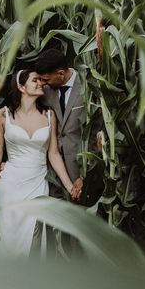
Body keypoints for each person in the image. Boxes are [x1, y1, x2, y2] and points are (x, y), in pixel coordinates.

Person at [0, 69, 76, 258]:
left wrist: (70, 186)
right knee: (6, 240)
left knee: (33, 242)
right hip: (9, 185)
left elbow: (53, 154)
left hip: (36, 185)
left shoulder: (49, 116)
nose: (40, 83)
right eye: (35, 80)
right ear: (21, 86)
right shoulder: (3, 115)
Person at [35, 48, 102, 201]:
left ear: (60, 74)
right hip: (52, 172)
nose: (42, 84)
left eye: (46, 79)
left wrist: (85, 175)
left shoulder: (89, 87)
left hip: (80, 167)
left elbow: (96, 134)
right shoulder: (45, 92)